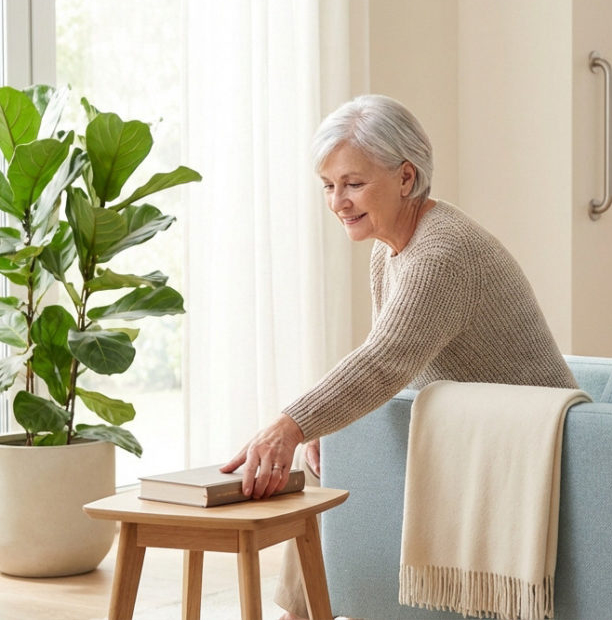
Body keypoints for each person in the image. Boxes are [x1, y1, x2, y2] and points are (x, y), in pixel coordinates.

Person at [220, 94, 577, 620]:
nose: (338, 201)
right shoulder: (390, 249)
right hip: (473, 429)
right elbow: (392, 352)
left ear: (406, 178)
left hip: (530, 443)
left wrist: (290, 424)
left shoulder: (442, 253)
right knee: (326, 458)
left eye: (353, 183)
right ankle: (305, 613)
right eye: (328, 185)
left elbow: (385, 361)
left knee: (317, 456)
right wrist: (323, 425)